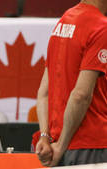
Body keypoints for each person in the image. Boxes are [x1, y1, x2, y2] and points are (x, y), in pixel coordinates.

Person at [36, 0, 107, 167]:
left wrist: (45, 136)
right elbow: (81, 95)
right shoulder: (101, 27)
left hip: (59, 144)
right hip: (91, 146)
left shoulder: (64, 20)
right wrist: (61, 145)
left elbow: (43, 92)